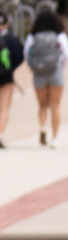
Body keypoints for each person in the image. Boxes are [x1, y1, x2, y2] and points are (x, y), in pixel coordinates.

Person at [25, 3, 68, 148]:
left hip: (39, 72)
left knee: (42, 105)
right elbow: (67, 53)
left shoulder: (33, 36)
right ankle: (55, 138)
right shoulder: (59, 35)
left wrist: (33, 66)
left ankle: (43, 127)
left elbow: (27, 54)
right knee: (55, 105)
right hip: (55, 71)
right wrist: (60, 66)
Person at [0, 10, 25, 147]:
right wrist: (10, 68)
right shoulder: (12, 39)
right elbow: (20, 57)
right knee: (4, 107)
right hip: (6, 77)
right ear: (7, 23)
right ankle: (1, 132)